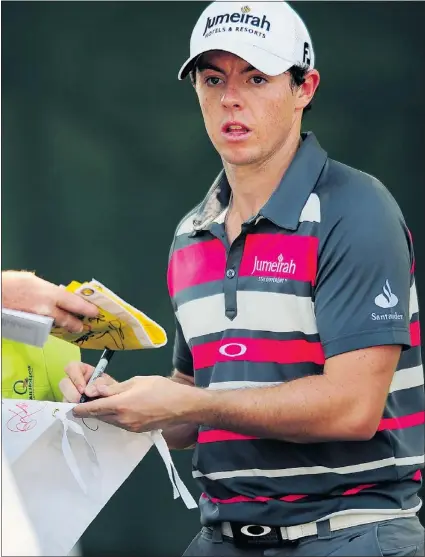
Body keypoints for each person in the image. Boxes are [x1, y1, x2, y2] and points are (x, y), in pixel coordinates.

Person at [62, 1, 425, 555]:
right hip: (222, 537)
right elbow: (191, 411)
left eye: (257, 78)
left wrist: (188, 405)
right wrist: (125, 404)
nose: (232, 97)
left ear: (304, 88)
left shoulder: (356, 209)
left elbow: (353, 408)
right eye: (213, 79)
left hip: (353, 532)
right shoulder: (193, 232)